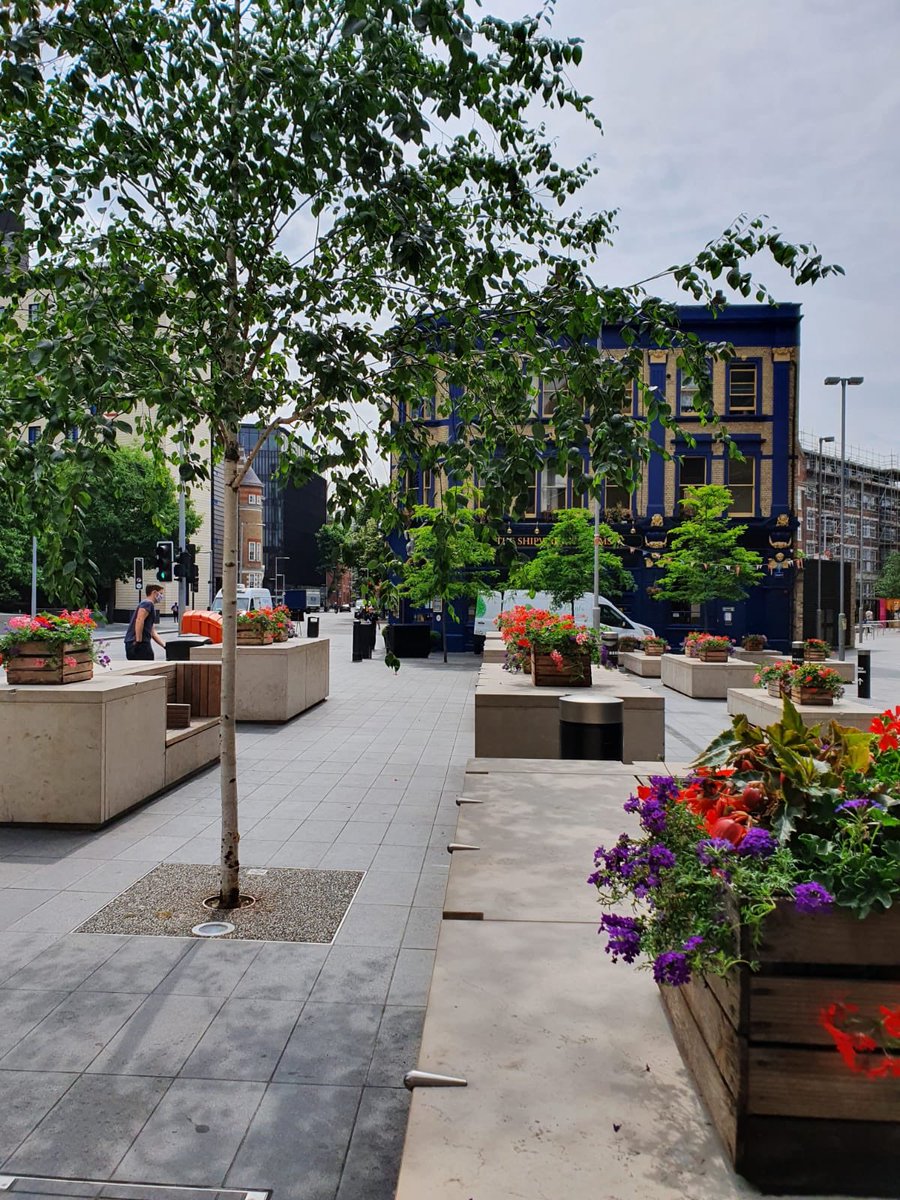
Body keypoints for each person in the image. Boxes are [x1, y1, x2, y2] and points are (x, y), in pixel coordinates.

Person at [125, 583, 167, 660]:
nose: (162, 596)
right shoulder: (147, 603)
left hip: (140, 642)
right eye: (160, 593)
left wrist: (165, 646)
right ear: (154, 592)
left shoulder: (148, 605)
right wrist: (138, 640)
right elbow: (139, 620)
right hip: (138, 643)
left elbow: (152, 632)